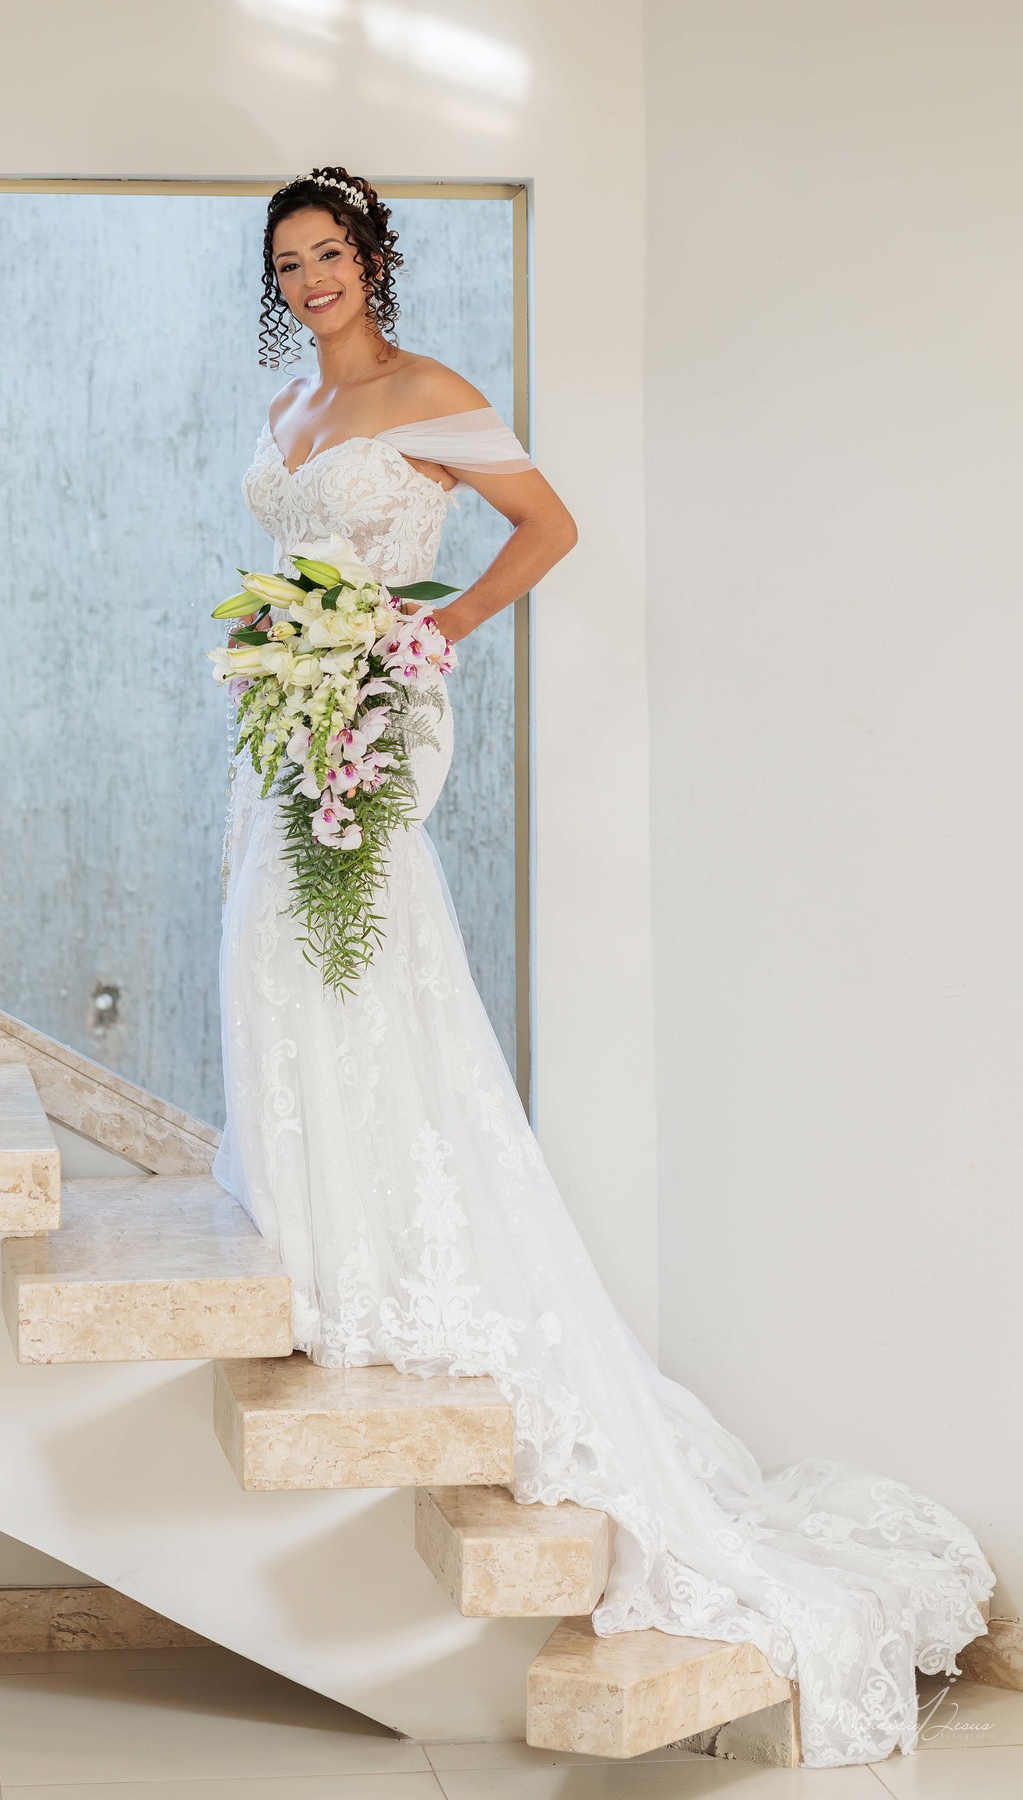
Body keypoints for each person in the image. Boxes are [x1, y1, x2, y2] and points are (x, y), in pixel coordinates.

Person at [211, 165, 994, 1770]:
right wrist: (284, 651)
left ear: (373, 259)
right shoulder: (294, 406)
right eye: (288, 263)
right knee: (278, 960)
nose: (311, 279)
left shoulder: (430, 392)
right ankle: (323, 1234)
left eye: (331, 254)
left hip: (377, 704)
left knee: (362, 953)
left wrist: (432, 633)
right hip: (286, 712)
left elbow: (549, 526)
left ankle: (390, 1260)